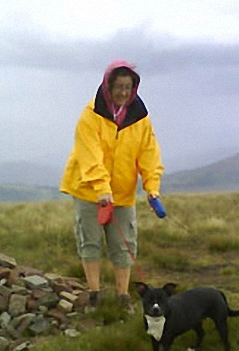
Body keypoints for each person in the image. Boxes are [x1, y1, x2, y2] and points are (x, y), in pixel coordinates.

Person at [60, 59, 165, 310]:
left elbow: (149, 154)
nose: (123, 92)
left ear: (134, 88)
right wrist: (102, 190)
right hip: (88, 191)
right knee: (91, 241)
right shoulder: (91, 115)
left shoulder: (140, 118)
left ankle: (123, 296)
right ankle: (94, 294)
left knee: (124, 244)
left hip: (123, 194)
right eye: (118, 86)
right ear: (108, 86)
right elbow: (90, 155)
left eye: (128, 87)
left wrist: (152, 189)